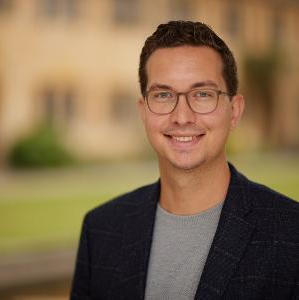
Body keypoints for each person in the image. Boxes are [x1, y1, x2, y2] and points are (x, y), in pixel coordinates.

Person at [71, 21, 299, 300]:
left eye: (202, 94)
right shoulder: (101, 230)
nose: (182, 117)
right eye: (164, 95)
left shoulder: (291, 234)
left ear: (235, 111)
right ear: (143, 112)